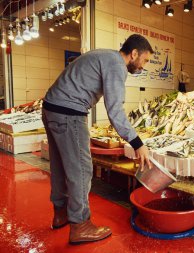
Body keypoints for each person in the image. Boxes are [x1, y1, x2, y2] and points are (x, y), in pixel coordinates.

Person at [42, 34, 153, 245]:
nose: (143, 66)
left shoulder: (106, 56)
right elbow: (115, 111)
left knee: (60, 166)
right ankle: (80, 225)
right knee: (81, 169)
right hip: (69, 112)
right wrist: (137, 143)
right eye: (145, 60)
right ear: (134, 53)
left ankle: (61, 213)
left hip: (51, 108)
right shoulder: (116, 65)